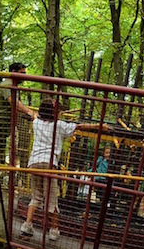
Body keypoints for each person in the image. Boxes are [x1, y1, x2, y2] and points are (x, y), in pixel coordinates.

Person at [20, 99, 109, 240]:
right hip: (49, 164)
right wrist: (100, 126)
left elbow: (32, 114)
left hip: (34, 163)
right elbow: (80, 126)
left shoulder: (36, 122)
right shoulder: (60, 125)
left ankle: (27, 224)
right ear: (55, 113)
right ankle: (54, 230)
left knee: (36, 196)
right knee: (52, 200)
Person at [0, 62, 37, 208]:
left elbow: (13, 107)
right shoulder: (8, 84)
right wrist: (30, 112)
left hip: (1, 130)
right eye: (22, 73)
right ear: (13, 71)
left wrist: (27, 115)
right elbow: (14, 103)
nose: (24, 76)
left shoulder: (13, 86)